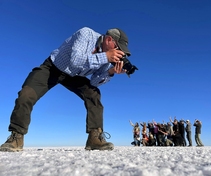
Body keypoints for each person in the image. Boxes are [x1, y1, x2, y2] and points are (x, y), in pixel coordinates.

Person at [0, 27, 132, 152]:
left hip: (75, 76)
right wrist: (105, 57)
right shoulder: (86, 34)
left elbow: (94, 82)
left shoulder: (107, 59)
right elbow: (75, 60)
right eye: (118, 48)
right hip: (53, 68)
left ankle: (94, 138)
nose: (118, 53)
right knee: (27, 93)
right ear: (109, 40)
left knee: (94, 94)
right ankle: (16, 137)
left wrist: (110, 71)